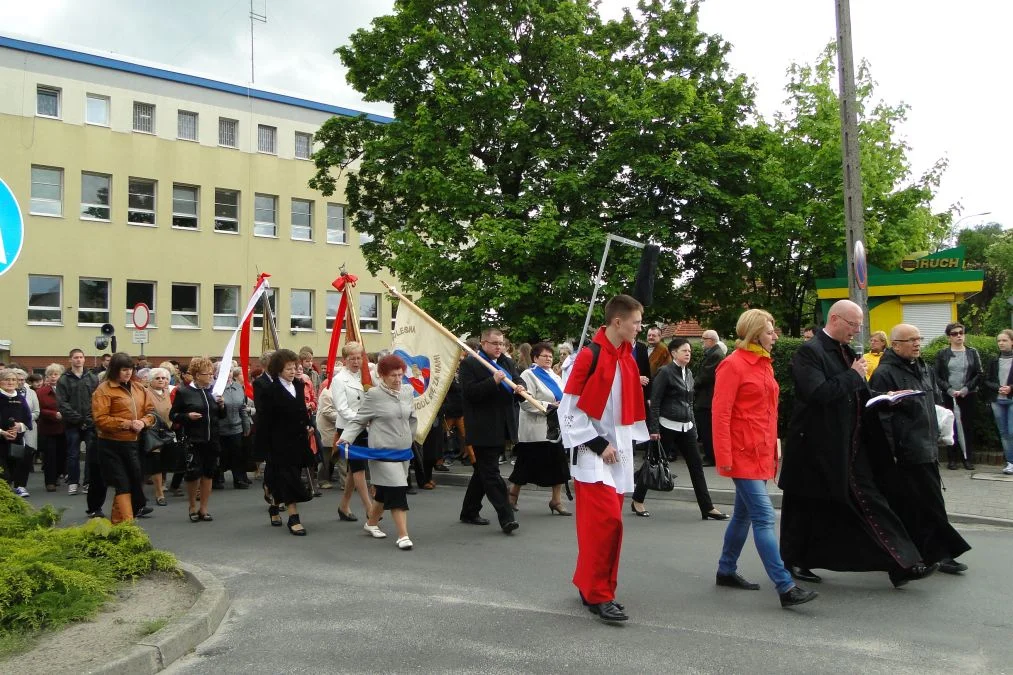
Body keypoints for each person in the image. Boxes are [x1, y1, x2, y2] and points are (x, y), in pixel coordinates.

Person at [778, 300, 937, 588]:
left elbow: (857, 393)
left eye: (860, 325)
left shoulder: (846, 350)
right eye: (853, 324)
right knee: (806, 508)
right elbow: (818, 393)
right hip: (817, 449)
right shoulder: (809, 352)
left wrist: (886, 396)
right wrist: (853, 375)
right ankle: (795, 559)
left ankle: (903, 564)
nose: (857, 331)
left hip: (849, 444)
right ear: (835, 319)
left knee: (873, 503)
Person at [711, 309, 817, 608]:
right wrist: (725, 457)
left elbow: (767, 413)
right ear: (756, 333)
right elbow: (720, 414)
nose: (775, 336)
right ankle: (785, 586)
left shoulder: (763, 363)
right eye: (770, 331)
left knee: (745, 515)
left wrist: (774, 446)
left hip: (760, 451)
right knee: (764, 516)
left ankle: (726, 569)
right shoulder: (733, 365)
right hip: (742, 453)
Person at [560, 294, 649, 623]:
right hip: (592, 454)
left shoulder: (626, 356)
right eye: (636, 322)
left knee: (603, 527)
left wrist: (642, 434)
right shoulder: (588, 356)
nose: (640, 328)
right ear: (618, 322)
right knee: (604, 525)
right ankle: (599, 594)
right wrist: (598, 444)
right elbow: (568, 413)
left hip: (618, 452)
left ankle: (590, 586)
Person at [866, 323, 971, 575]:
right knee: (920, 505)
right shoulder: (885, 373)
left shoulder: (923, 366)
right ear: (896, 345)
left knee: (931, 503)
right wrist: (890, 450)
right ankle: (932, 555)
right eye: (911, 340)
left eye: (919, 338)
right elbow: (882, 416)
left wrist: (939, 431)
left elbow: (932, 403)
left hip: (926, 446)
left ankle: (935, 553)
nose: (917, 344)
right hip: (905, 451)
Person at [636, 338, 727, 520]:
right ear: (674, 353)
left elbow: (689, 403)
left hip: (687, 427)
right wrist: (654, 429)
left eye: (690, 351)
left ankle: (707, 507)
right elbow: (655, 403)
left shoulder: (689, 373)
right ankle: (637, 500)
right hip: (666, 425)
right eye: (684, 350)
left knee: (696, 467)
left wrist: (694, 427)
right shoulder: (665, 372)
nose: (688, 353)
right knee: (654, 463)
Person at [338, 354, 418, 550]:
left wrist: (411, 438)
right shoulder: (374, 395)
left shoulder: (408, 391)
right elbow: (359, 420)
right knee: (398, 489)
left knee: (383, 492)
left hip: (403, 452)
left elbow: (412, 418)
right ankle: (403, 535)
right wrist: (346, 437)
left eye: (400, 375)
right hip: (382, 453)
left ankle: (371, 523)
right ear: (381, 375)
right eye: (393, 375)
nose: (398, 379)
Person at [459, 328, 524, 534]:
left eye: (501, 343)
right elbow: (470, 393)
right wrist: (492, 381)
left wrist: (520, 387)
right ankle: (507, 517)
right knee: (492, 474)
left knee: (482, 472)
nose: (499, 347)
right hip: (483, 428)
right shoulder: (470, 364)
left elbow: (516, 378)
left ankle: (469, 511)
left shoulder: (506, 361)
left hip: (503, 425)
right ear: (483, 343)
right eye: (495, 343)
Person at [91, 353, 156, 524]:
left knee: (135, 483)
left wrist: (143, 422)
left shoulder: (139, 388)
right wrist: (127, 424)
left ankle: (119, 523)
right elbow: (100, 419)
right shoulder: (104, 389)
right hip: (112, 445)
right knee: (122, 483)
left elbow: (151, 412)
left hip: (135, 444)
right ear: (115, 370)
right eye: (123, 369)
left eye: (130, 369)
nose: (128, 373)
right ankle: (127, 523)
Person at [508, 342, 571, 515]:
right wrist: (551, 406)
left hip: (554, 429)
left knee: (559, 466)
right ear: (535, 358)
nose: (549, 359)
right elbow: (526, 401)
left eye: (551, 356)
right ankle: (512, 496)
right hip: (535, 429)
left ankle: (556, 500)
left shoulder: (555, 376)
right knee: (525, 466)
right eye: (545, 356)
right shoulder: (529, 374)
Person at [260, 349, 315, 535]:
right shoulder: (270, 390)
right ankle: (294, 517)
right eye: (288, 368)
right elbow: (265, 420)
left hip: (298, 440)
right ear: (278, 369)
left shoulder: (299, 385)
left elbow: (301, 411)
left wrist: (308, 424)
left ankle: (274, 506)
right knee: (289, 478)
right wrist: (265, 448)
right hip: (279, 442)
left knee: (285, 477)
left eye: (294, 367)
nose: (292, 371)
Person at [170, 357, 226, 522]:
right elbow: (173, 415)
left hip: (212, 439)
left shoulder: (213, 392)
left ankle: (204, 508)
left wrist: (222, 405)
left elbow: (221, 415)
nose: (210, 376)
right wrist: (187, 416)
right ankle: (192, 506)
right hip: (194, 439)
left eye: (211, 373)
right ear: (196, 375)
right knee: (194, 474)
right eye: (206, 373)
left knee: (209, 474)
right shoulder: (184, 392)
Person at [331, 342, 375, 522]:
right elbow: (342, 408)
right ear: (344, 360)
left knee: (354, 468)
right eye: (352, 358)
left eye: (359, 358)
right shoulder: (339, 379)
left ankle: (344, 506)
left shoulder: (365, 376)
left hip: (365, 426)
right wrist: (361, 421)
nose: (356, 362)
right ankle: (370, 508)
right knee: (358, 467)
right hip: (349, 428)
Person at [934, 322, 982, 470]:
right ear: (949, 337)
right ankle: (952, 459)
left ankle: (967, 458)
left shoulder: (972, 352)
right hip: (949, 395)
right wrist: (949, 390)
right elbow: (936, 375)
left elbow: (979, 373)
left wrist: (966, 389)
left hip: (968, 395)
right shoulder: (942, 354)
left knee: (967, 426)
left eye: (961, 333)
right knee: (951, 426)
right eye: (954, 334)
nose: (959, 336)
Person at [56, 348, 99, 496]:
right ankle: (73, 482)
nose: (78, 360)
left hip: (90, 423)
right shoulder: (63, 379)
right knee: (73, 454)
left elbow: (97, 400)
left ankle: (88, 482)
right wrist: (78, 419)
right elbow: (62, 404)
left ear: (84, 359)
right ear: (70, 360)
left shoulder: (92, 378)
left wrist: (88, 418)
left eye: (81, 357)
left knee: (91, 454)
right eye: (75, 357)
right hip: (72, 423)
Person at [983, 329, 1013, 475]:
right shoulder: (994, 361)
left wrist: (1010, 388)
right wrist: (999, 388)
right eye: (999, 341)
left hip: (1011, 398)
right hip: (997, 400)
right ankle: (1010, 462)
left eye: (1004, 340)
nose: (1001, 343)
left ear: (1012, 342)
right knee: (1004, 433)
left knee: (1012, 431)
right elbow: (987, 380)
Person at [0, 368, 34, 497]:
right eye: (6, 379)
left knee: (19, 463)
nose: (10, 382)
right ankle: (5, 490)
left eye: (13, 380)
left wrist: (19, 427)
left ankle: (20, 486)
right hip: (1, 439)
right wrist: (2, 432)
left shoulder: (20, 398)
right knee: (4, 470)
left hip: (17, 439)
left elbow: (27, 419)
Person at [218, 365, 252, 490]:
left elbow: (242, 407)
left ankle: (239, 479)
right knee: (221, 453)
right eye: (224, 371)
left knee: (237, 453)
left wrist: (246, 424)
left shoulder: (238, 387)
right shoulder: (216, 388)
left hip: (236, 426)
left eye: (230, 371)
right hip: (220, 427)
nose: (228, 374)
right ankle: (218, 478)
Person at [694, 329, 724, 467]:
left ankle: (710, 457)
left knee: (707, 430)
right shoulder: (713, 353)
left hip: (707, 399)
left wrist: (691, 385)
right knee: (706, 429)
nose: (702, 341)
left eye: (704, 338)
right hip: (706, 398)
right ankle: (709, 456)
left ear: (711, 340)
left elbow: (706, 376)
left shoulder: (716, 355)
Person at [145, 367, 174, 506]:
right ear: (151, 380)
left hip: (168, 430)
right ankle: (159, 493)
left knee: (166, 460)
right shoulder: (145, 393)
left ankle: (163, 484)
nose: (161, 380)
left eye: (164, 378)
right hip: (152, 431)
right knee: (155, 461)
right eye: (158, 378)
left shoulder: (170, 392)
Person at [36, 364, 66, 492]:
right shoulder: (41, 392)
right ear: (46, 377)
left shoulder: (66, 389)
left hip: (64, 427)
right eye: (50, 375)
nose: (53, 377)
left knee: (62, 455)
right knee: (49, 457)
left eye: (56, 374)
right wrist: (53, 414)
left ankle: (58, 475)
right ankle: (50, 481)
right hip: (48, 428)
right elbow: (38, 410)